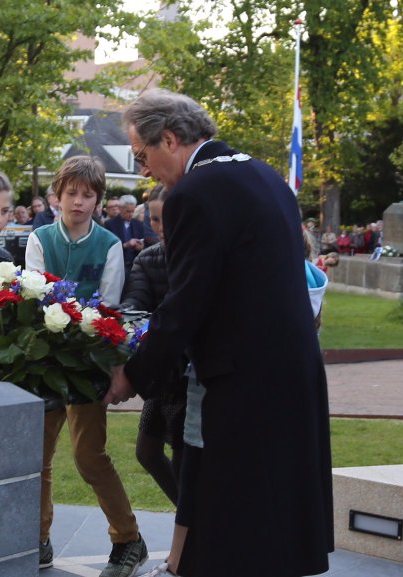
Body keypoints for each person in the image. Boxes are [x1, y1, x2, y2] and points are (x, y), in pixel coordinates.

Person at [106, 88, 333, 577]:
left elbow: (185, 304)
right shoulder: (264, 174)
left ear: (169, 139)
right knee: (273, 521)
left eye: (143, 156)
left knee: (238, 530)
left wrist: (132, 376)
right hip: (290, 370)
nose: (144, 170)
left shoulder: (194, 192)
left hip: (243, 381)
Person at [25, 156, 142, 577]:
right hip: (46, 361)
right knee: (37, 455)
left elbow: (109, 305)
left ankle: (127, 539)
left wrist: (108, 361)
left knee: (89, 456)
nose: (77, 201)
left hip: (89, 361)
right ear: (57, 195)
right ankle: (38, 539)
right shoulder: (39, 238)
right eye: (70, 193)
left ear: (98, 199)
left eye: (87, 194)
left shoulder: (109, 244)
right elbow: (35, 293)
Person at [119, 185, 185, 507]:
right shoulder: (147, 259)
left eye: (168, 218)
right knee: (147, 450)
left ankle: (193, 528)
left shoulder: (197, 256)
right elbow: (133, 306)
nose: (161, 228)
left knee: (186, 454)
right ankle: (192, 517)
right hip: (161, 373)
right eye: (156, 220)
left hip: (193, 377)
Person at [104, 194, 145, 274]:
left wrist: (141, 247)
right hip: (117, 266)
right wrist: (126, 245)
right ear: (120, 209)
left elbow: (143, 243)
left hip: (135, 266)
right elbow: (107, 247)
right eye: (128, 211)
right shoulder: (110, 224)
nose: (130, 214)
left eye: (132, 211)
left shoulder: (138, 224)